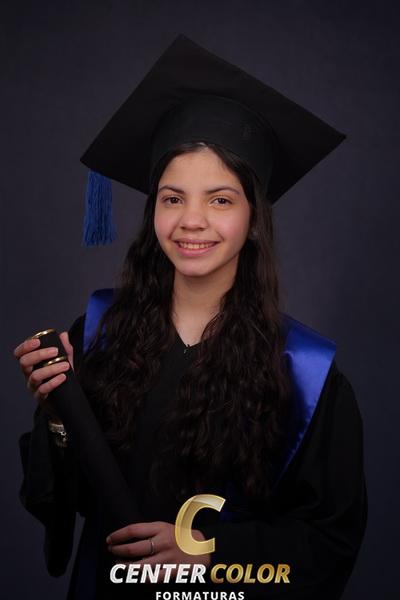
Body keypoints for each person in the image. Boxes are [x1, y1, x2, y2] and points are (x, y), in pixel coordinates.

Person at [14, 35, 367, 599]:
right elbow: (72, 503)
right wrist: (59, 415)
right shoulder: (99, 334)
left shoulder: (305, 373)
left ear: (254, 218)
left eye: (220, 199)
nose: (191, 221)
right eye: (172, 198)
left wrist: (211, 554)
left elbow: (327, 543)